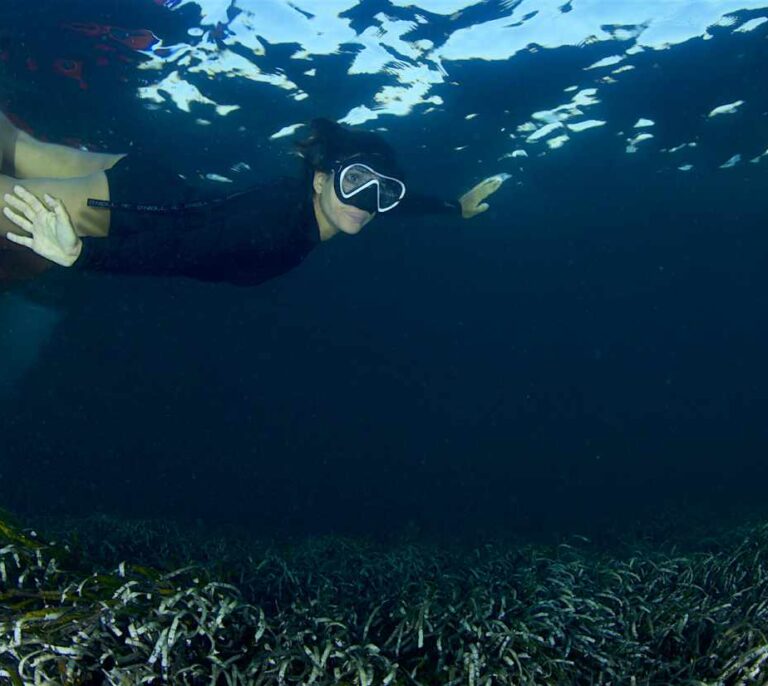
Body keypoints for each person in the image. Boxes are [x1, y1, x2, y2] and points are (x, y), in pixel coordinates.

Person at [0, 115, 506, 287]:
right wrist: (81, 255)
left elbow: (395, 198)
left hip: (151, 185)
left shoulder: (325, 205)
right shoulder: (277, 229)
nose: (367, 202)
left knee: (20, 149)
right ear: (319, 179)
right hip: (125, 211)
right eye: (355, 183)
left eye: (381, 193)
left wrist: (452, 208)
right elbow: (182, 250)